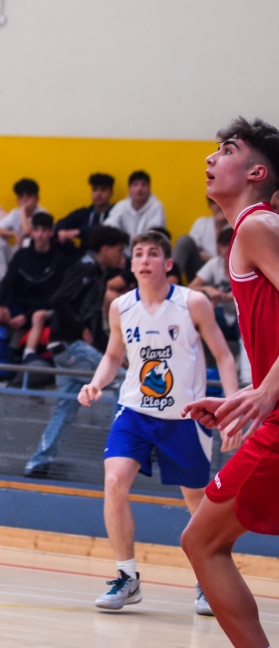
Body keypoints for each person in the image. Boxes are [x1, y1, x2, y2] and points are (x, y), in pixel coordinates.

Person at [75, 231, 239, 614]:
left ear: (167, 263)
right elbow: (113, 356)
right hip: (134, 411)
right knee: (114, 482)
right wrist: (97, 383)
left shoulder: (192, 302)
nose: (145, 259)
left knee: (196, 499)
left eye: (153, 253)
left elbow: (224, 356)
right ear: (130, 264)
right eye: (138, 254)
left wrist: (231, 408)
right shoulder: (120, 307)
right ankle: (127, 577)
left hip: (184, 415)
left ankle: (208, 580)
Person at [181, 117, 279, 648]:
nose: (211, 157)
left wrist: (266, 393)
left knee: (202, 543)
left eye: (227, 149)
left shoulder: (256, 226)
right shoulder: (255, 230)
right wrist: (246, 395)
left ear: (256, 172)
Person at [24, 225, 131, 478]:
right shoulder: (85, 269)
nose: (121, 256)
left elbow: (94, 326)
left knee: (66, 406)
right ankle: (126, 448)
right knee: (125, 381)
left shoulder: (96, 273)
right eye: (119, 249)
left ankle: (38, 462)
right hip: (70, 346)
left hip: (69, 347)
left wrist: (117, 355)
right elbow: (59, 299)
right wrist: (79, 327)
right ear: (105, 249)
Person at [0, 212, 69, 361]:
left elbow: (53, 297)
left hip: (43, 310)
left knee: (37, 315)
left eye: (44, 230)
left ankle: (28, 358)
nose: (40, 234)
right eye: (36, 230)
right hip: (18, 307)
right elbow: (6, 285)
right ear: (32, 232)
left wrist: (26, 316)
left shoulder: (60, 260)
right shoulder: (21, 256)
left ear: (50, 232)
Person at [0, 178, 46, 287]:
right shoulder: (14, 213)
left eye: (29, 196)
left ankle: (23, 284)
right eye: (21, 197)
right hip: (16, 255)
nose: (25, 200)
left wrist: (23, 210)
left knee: (27, 243)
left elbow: (27, 232)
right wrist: (13, 234)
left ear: (37, 198)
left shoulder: (42, 214)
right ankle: (4, 284)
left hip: (37, 258)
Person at [189, 226, 237, 341]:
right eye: (224, 245)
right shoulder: (215, 263)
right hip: (220, 314)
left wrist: (232, 296)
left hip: (240, 313)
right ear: (219, 247)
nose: (227, 249)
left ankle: (244, 350)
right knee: (205, 310)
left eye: (230, 244)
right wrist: (207, 289)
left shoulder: (246, 264)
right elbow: (191, 287)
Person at [55, 173, 114, 254]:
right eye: (95, 190)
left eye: (103, 190)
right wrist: (61, 231)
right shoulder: (84, 213)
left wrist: (79, 232)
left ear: (111, 193)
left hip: (109, 255)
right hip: (84, 256)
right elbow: (61, 223)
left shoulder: (115, 213)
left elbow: (103, 230)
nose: (98, 194)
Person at [174, 197, 229, 282]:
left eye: (222, 201)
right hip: (199, 269)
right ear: (210, 206)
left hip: (224, 272)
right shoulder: (201, 223)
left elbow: (224, 257)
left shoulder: (236, 225)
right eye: (215, 202)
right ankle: (171, 278)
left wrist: (219, 227)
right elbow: (191, 251)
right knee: (184, 240)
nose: (219, 205)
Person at [105, 170, 165, 237]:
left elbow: (155, 234)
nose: (139, 189)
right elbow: (109, 226)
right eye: (135, 185)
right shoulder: (120, 207)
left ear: (149, 189)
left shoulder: (156, 207)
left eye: (143, 185)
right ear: (129, 190)